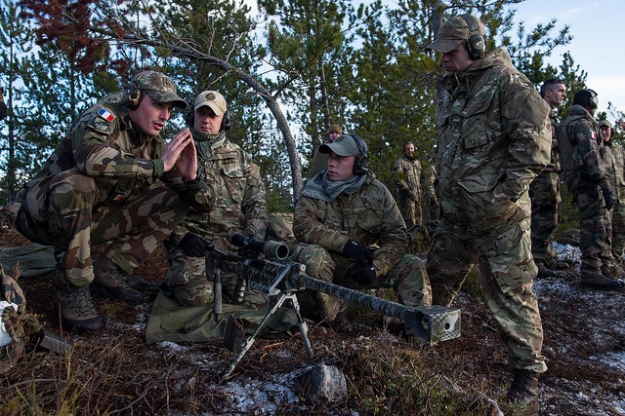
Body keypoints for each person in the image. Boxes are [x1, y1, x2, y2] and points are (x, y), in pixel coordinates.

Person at [14, 71, 212, 332]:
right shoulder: (102, 117)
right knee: (77, 183)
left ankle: (108, 272)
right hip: (40, 218)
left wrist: (192, 179)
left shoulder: (153, 145)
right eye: (157, 105)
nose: (165, 116)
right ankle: (72, 289)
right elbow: (90, 160)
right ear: (133, 99)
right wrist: (158, 166)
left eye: (169, 109)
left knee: (174, 197)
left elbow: (203, 204)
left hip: (92, 221)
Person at [425, 14, 551, 414]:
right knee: (438, 276)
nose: (444, 59)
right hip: (456, 214)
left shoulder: (508, 84)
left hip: (499, 218)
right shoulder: (454, 88)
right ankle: (429, 334)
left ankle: (527, 374)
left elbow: (535, 149)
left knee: (510, 294)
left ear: (475, 46)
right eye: (441, 52)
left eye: (451, 51)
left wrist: (503, 196)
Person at [292, 134, 432, 333]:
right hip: (326, 265)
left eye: (340, 159)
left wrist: (377, 266)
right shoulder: (314, 189)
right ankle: (332, 318)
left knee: (413, 265)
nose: (331, 163)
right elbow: (302, 225)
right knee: (313, 255)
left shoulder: (377, 192)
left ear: (358, 163)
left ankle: (419, 329)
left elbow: (397, 235)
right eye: (330, 157)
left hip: (361, 266)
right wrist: (345, 244)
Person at [162, 90, 270, 307]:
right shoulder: (174, 153)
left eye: (213, 115)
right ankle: (179, 279)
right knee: (197, 297)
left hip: (232, 244)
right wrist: (180, 237)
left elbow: (256, 205)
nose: (206, 120)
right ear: (192, 115)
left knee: (256, 301)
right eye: (201, 113)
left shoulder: (242, 159)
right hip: (193, 244)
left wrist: (252, 239)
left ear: (224, 119)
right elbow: (157, 205)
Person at [559, 89, 622, 290]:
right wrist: (604, 183)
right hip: (588, 181)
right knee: (594, 227)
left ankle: (600, 268)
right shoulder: (583, 124)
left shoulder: (568, 122)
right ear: (591, 103)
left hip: (580, 180)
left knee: (597, 225)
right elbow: (591, 156)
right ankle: (591, 272)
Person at [531, 79, 569, 277]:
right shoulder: (538, 113)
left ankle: (546, 256)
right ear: (547, 93)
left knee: (554, 215)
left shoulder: (548, 114)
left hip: (551, 171)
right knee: (544, 216)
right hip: (542, 173)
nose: (564, 95)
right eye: (560, 91)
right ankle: (535, 260)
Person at [599, 120, 625, 267]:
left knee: (621, 228)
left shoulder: (618, 148)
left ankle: (617, 260)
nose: (605, 132)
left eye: (607, 129)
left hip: (621, 195)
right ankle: (606, 262)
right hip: (605, 196)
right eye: (602, 129)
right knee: (605, 230)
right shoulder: (597, 148)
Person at [392, 141, 423, 228]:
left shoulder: (417, 162)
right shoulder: (401, 163)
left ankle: (419, 236)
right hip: (406, 197)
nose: (410, 151)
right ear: (404, 150)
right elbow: (397, 178)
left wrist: (420, 189)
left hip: (417, 196)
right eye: (407, 149)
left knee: (419, 221)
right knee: (409, 223)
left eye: (411, 148)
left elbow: (421, 178)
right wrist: (408, 190)